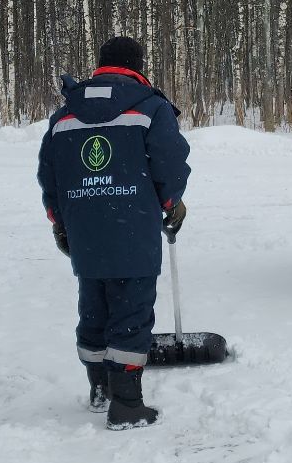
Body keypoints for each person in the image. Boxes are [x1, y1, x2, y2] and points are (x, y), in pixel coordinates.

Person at [37, 37, 191, 430]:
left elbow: (49, 172)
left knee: (95, 307)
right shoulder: (150, 107)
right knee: (131, 311)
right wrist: (171, 202)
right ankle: (125, 403)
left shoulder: (65, 114)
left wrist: (59, 219)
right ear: (137, 66)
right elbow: (169, 163)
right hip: (133, 226)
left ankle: (100, 387)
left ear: (100, 66)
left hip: (84, 228)